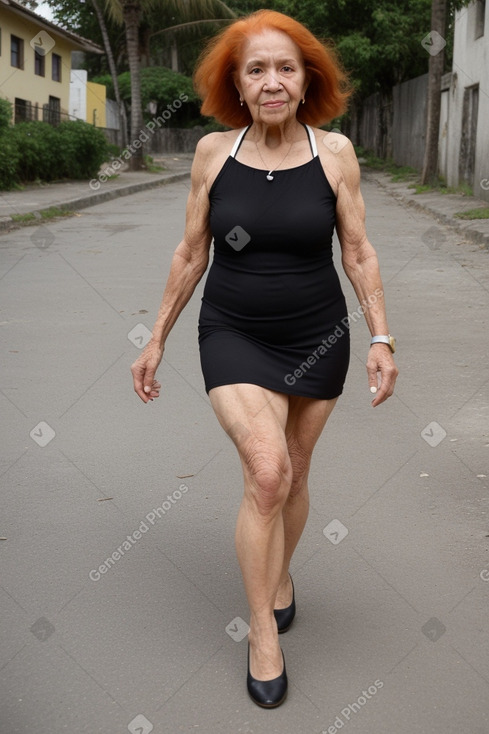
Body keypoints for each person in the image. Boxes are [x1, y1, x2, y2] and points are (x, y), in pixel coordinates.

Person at [131, 9, 398, 709]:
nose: (272, 80)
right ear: (237, 85)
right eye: (256, 69)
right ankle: (260, 630)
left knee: (297, 471)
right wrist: (155, 335)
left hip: (317, 335)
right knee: (267, 469)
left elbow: (357, 249)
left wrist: (379, 335)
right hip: (234, 331)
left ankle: (279, 578)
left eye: (285, 67)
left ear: (306, 77)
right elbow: (192, 252)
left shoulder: (334, 152)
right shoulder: (214, 154)